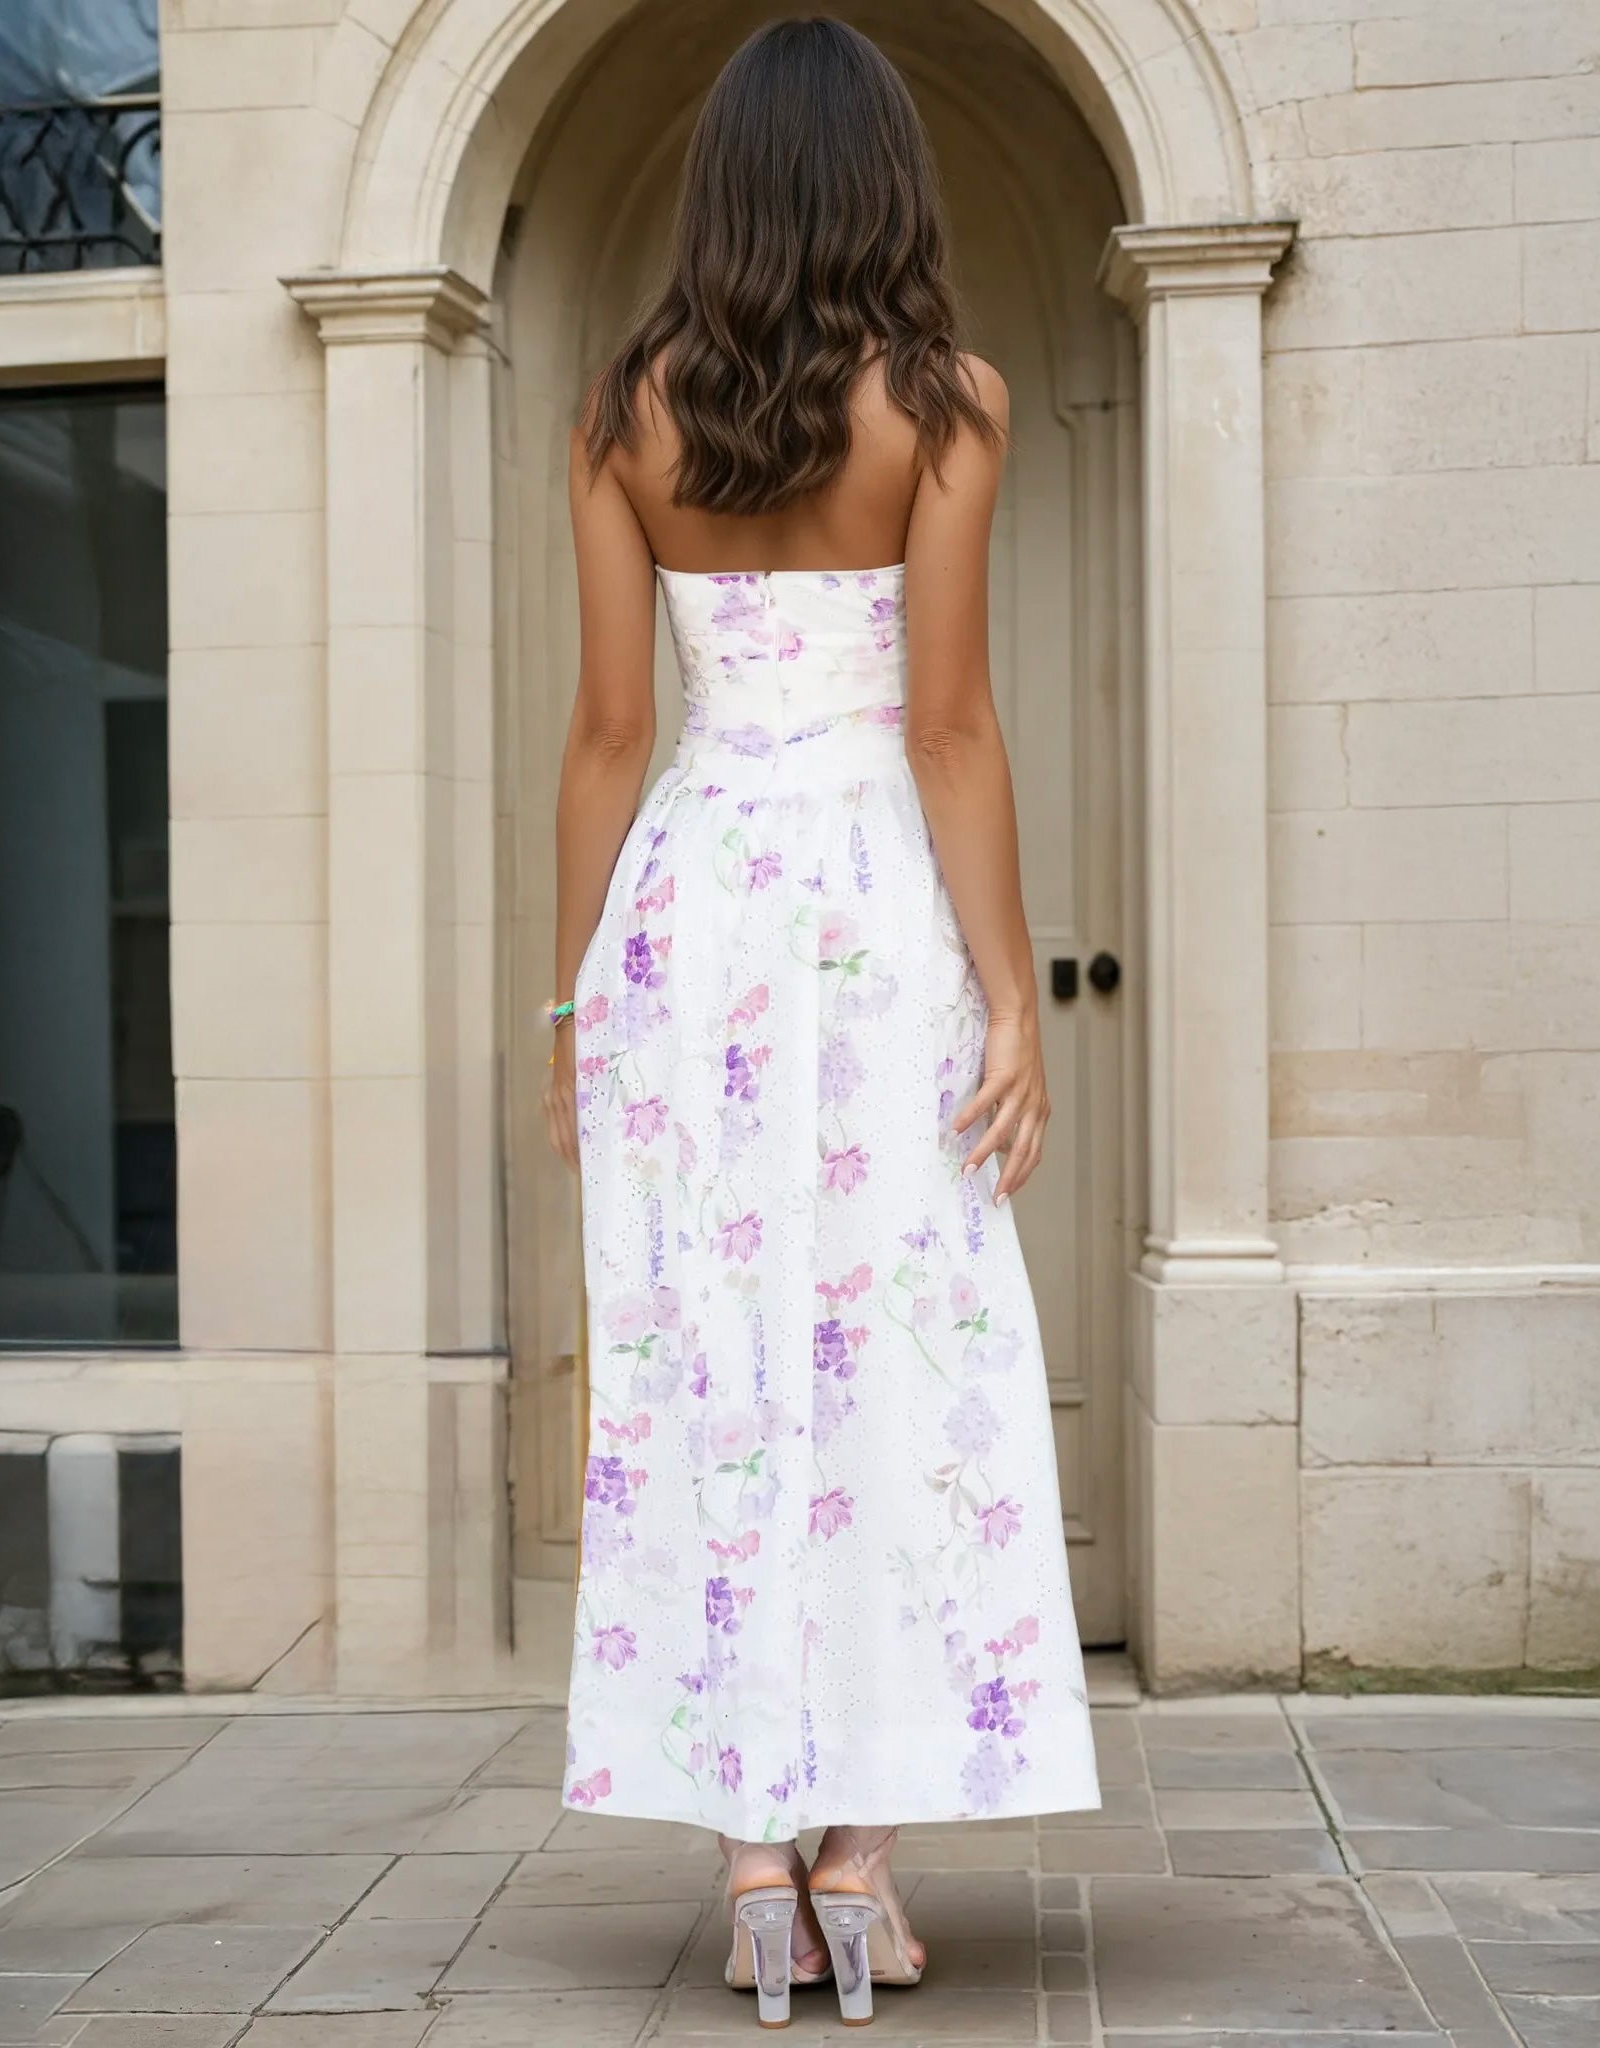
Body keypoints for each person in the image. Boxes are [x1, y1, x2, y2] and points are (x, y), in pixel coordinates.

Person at [543, 16, 1100, 2030]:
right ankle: (858, 1853)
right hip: (868, 916)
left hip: (689, 924)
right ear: (886, 186)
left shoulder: (621, 410)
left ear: (720, 193)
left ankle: (752, 1871)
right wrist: (1011, 991)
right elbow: (947, 725)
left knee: (707, 1361)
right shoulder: (948, 405)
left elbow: (611, 738)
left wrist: (566, 1001)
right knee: (889, 1368)